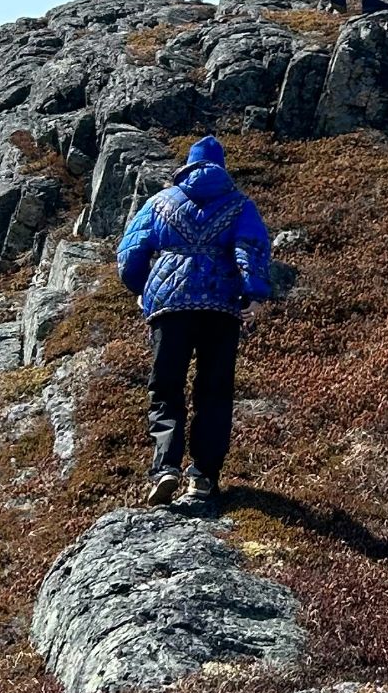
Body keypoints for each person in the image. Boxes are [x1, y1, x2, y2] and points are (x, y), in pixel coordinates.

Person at [117, 136, 273, 505]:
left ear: (187, 166)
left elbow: (130, 252)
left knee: (165, 387)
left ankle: (166, 466)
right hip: (221, 307)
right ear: (222, 167)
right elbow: (249, 248)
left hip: (169, 308)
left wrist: (141, 287)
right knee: (214, 392)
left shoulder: (160, 202)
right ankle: (202, 478)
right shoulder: (239, 204)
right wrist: (255, 294)